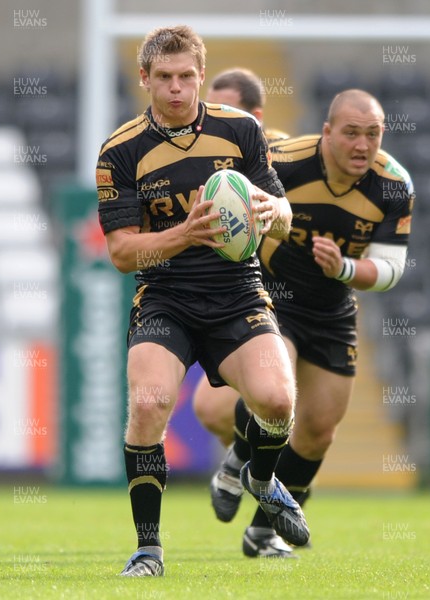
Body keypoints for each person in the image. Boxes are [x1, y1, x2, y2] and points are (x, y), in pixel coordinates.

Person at [96, 25, 309, 578]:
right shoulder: (119, 152)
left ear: (200, 75)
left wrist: (272, 214)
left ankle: (259, 479)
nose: (176, 89)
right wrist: (185, 235)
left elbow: (283, 219)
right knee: (146, 406)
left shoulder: (240, 129)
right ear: (144, 79)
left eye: (186, 76)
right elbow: (122, 253)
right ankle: (148, 549)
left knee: (278, 402)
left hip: (237, 291)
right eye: (163, 78)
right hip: (165, 296)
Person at [194, 88, 415, 559]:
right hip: (273, 297)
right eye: (351, 133)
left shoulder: (394, 184)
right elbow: (228, 199)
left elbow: (392, 266)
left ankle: (261, 529)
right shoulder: (283, 161)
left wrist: (345, 270)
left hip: (334, 310)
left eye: (372, 134)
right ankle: (238, 463)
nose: (362, 145)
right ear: (327, 132)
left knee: (318, 431)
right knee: (277, 390)